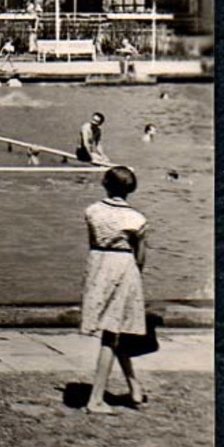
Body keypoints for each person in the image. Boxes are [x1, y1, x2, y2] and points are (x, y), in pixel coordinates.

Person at [81, 166, 150, 414]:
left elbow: (94, 238)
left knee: (113, 329)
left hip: (97, 265)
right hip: (122, 267)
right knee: (113, 332)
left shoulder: (92, 211)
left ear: (105, 184)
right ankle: (96, 399)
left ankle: (134, 387)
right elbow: (140, 256)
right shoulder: (136, 219)